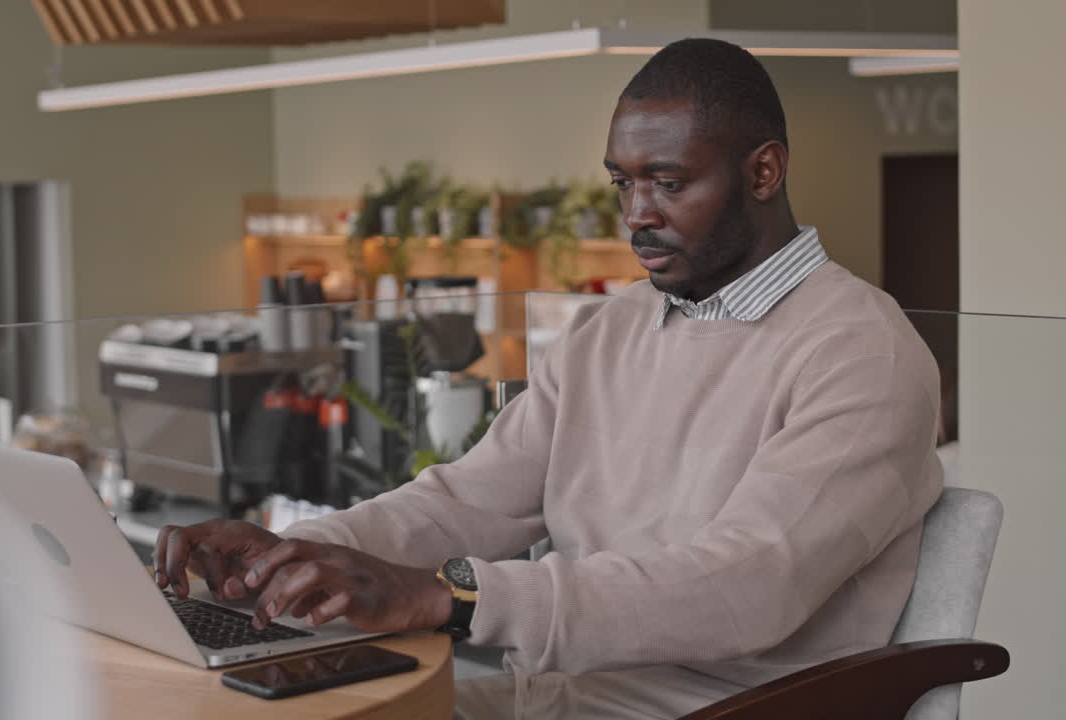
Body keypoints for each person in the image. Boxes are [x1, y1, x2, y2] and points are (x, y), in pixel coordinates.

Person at [154, 38, 943, 719]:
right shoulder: (611, 328)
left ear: (764, 171)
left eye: (669, 183)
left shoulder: (862, 353)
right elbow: (468, 500)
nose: (637, 214)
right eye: (622, 184)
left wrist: (453, 597)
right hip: (559, 701)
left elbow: (749, 583)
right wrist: (290, 555)